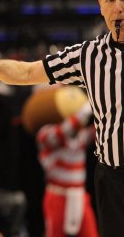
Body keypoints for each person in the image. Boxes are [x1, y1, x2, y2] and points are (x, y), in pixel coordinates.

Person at [0, 0, 124, 236]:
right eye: (110, 0)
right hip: (110, 180)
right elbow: (30, 71)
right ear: (100, 5)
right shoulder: (88, 55)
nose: (118, 8)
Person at [36, 102, 99, 237]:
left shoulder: (79, 135)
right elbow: (61, 132)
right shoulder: (45, 133)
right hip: (58, 196)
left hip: (79, 196)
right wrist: (81, 114)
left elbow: (98, 131)